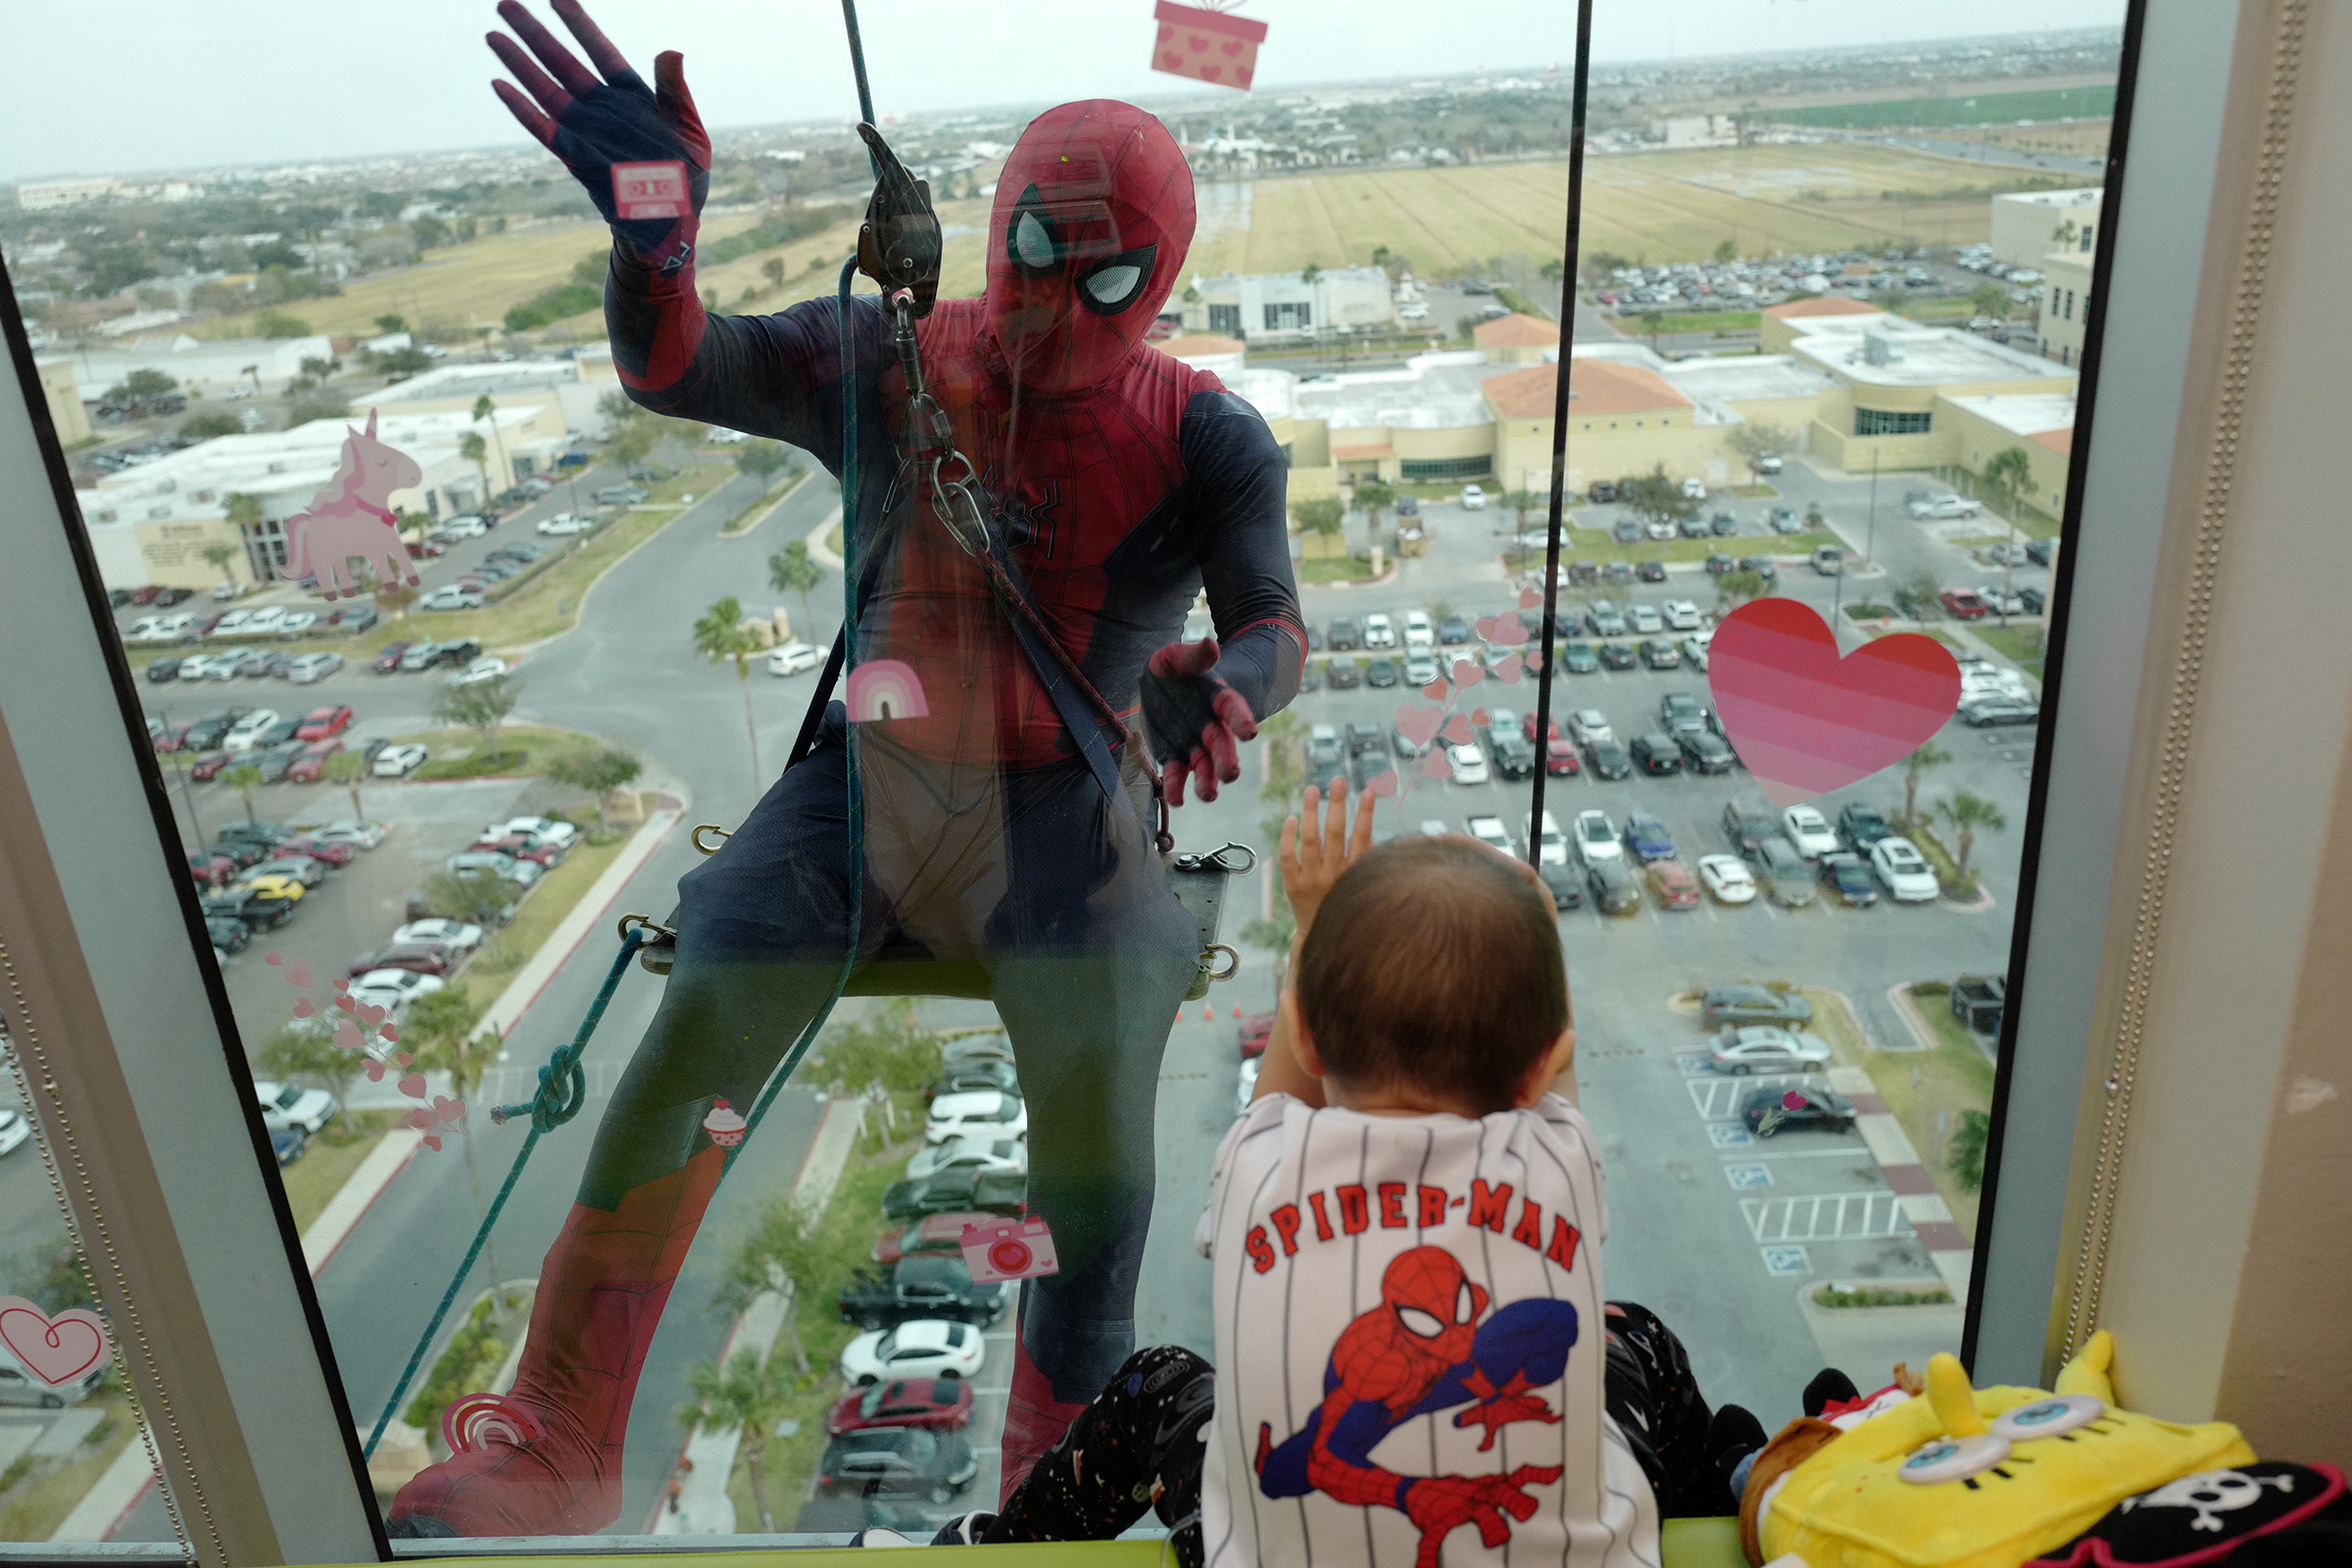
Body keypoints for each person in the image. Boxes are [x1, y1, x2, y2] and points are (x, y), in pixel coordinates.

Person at [389, 0, 1304, 1538]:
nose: (1061, 307)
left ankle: (1051, 1473)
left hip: (1065, 811)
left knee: (1098, 1152)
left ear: (1169, 278)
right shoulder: (882, 354)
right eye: (1034, 253)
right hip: (864, 792)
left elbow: (1273, 615)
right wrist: (655, 244)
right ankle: (563, 1428)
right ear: (991, 220)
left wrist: (1225, 688)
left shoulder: (1205, 433)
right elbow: (684, 367)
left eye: (1115, 276)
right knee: (710, 1002)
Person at [863, 783, 1736, 1564]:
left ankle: (975, 1550)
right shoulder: (1559, 1166)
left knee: (1156, 1381)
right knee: (1635, 1337)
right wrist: (1533, 921)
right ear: (1541, 1066)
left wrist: (1317, 917)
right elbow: (1552, 1068)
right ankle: (1732, 1490)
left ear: (1308, 1039)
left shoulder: (1264, 1166)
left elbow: (1294, 1064)